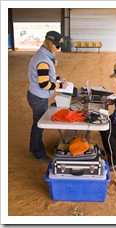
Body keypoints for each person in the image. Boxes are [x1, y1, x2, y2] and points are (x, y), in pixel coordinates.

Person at [27, 31, 68, 163]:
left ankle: (34, 148)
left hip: (36, 94)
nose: (59, 49)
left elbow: (44, 76)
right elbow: (44, 83)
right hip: (38, 97)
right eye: (57, 46)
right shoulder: (43, 60)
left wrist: (56, 79)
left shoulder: (43, 55)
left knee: (37, 124)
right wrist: (59, 85)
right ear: (51, 43)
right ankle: (38, 153)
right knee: (39, 125)